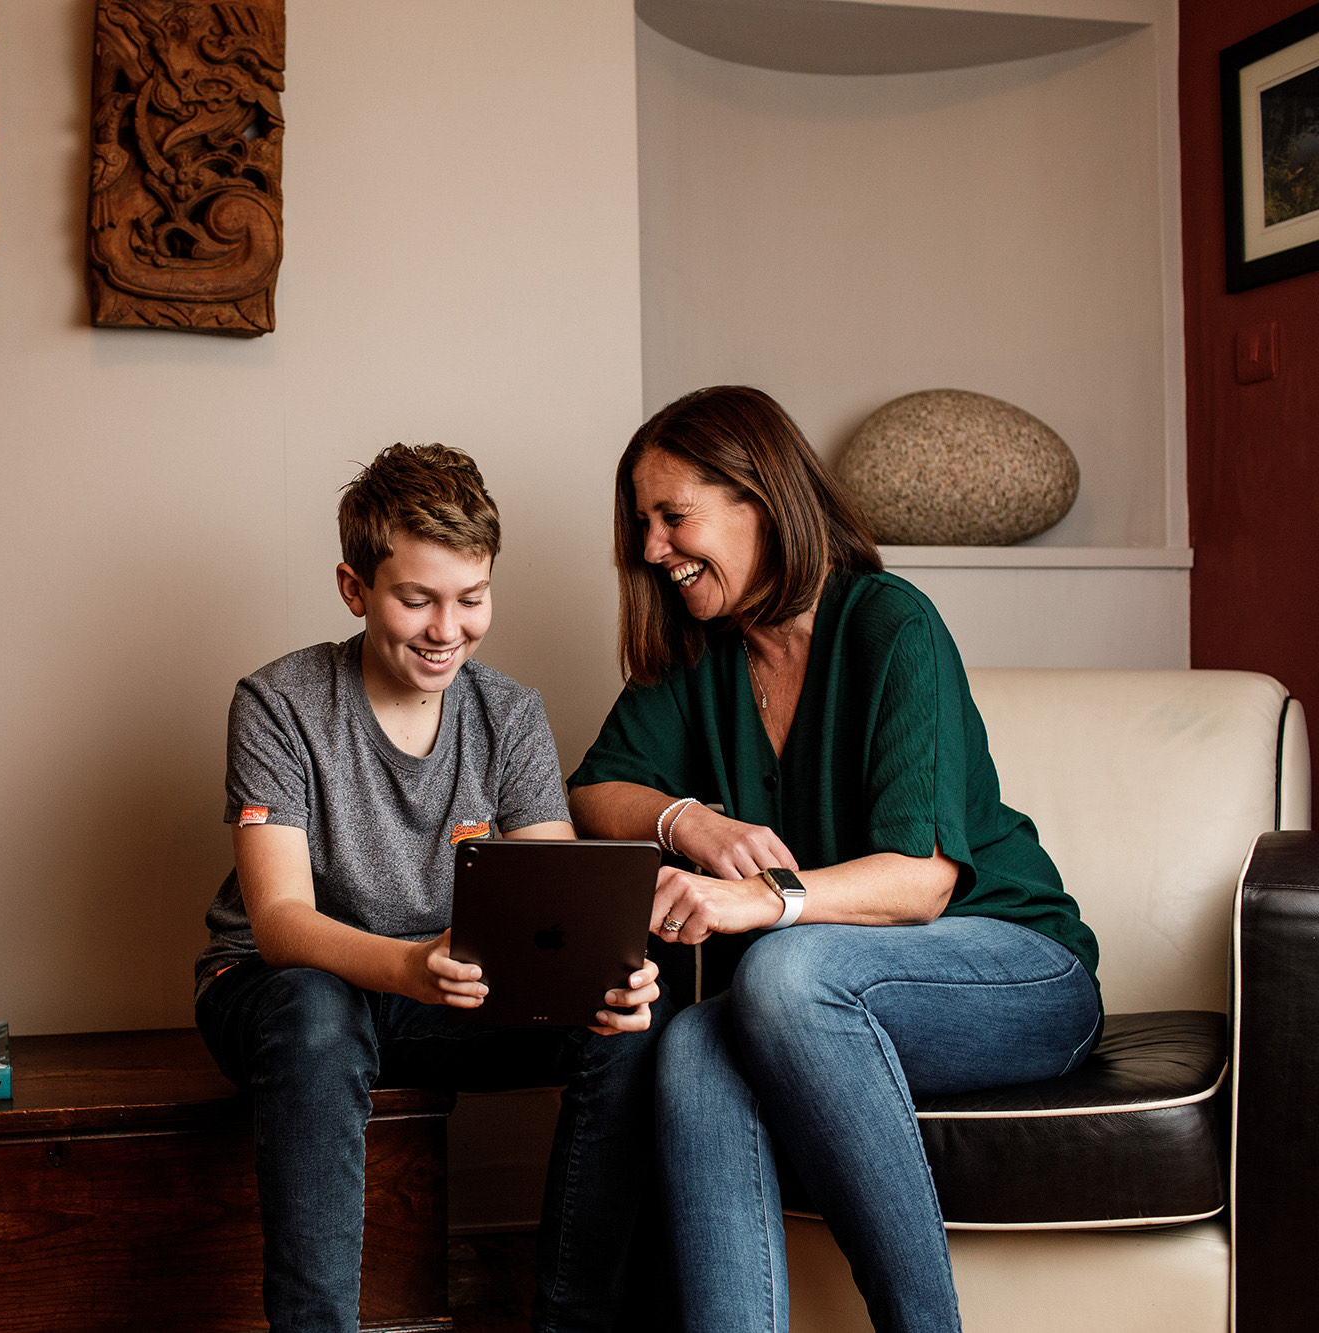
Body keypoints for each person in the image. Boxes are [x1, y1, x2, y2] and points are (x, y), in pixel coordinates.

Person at [566, 387, 1101, 1333]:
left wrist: (759, 901)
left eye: (673, 517)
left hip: (1014, 969)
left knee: (779, 972)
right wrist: (690, 820)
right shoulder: (704, 656)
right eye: (642, 524)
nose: (652, 549)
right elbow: (596, 790)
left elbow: (923, 877)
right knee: (690, 1043)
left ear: (760, 499)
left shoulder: (891, 623)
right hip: (831, 995)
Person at [194, 443, 665, 1333]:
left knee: (638, 1023)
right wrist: (409, 965)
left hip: (450, 987)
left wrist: (611, 967)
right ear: (353, 587)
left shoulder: (510, 712)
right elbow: (282, 921)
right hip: (289, 991)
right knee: (314, 1012)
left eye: (471, 598)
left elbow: (556, 899)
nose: (447, 627)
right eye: (417, 599)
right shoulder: (278, 702)